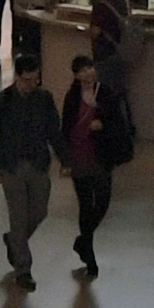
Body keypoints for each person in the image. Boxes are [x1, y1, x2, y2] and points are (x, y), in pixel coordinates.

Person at [0, 58, 62, 287]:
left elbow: (53, 130)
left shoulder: (44, 99)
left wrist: (65, 158)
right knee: (18, 218)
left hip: (37, 164)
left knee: (39, 211)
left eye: (35, 79)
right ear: (17, 77)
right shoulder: (1, 102)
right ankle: (23, 269)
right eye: (27, 80)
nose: (31, 84)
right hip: (11, 166)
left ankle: (15, 242)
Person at [57, 52, 127, 278]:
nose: (89, 73)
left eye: (91, 68)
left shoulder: (106, 93)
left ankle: (84, 240)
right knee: (86, 203)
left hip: (101, 154)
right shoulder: (72, 97)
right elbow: (66, 127)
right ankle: (90, 256)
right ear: (76, 75)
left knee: (103, 200)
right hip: (79, 155)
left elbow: (118, 121)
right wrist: (65, 159)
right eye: (83, 70)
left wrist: (103, 124)